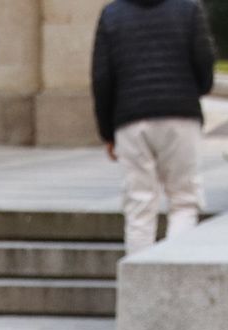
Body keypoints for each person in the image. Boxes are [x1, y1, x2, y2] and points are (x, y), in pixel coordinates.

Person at [90, 0, 217, 254]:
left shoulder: (111, 15)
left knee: (139, 206)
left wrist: (107, 132)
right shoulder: (188, 9)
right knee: (184, 201)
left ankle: (138, 275)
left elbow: (102, 79)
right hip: (180, 113)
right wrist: (193, 90)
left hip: (130, 118)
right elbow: (204, 64)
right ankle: (176, 270)